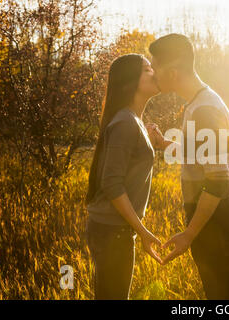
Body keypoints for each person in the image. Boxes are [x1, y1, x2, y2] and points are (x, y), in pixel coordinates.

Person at [148, 33, 229, 300]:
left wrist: (189, 234)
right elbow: (203, 155)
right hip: (215, 217)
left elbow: (217, 180)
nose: (153, 74)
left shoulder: (204, 110)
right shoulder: (200, 103)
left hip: (215, 219)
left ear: (174, 72)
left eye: (155, 68)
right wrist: (166, 144)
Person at [84, 53, 162, 300]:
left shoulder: (133, 121)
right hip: (112, 231)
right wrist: (142, 230)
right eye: (148, 69)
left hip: (112, 229)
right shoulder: (126, 122)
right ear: (131, 82)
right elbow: (111, 183)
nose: (155, 72)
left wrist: (155, 144)